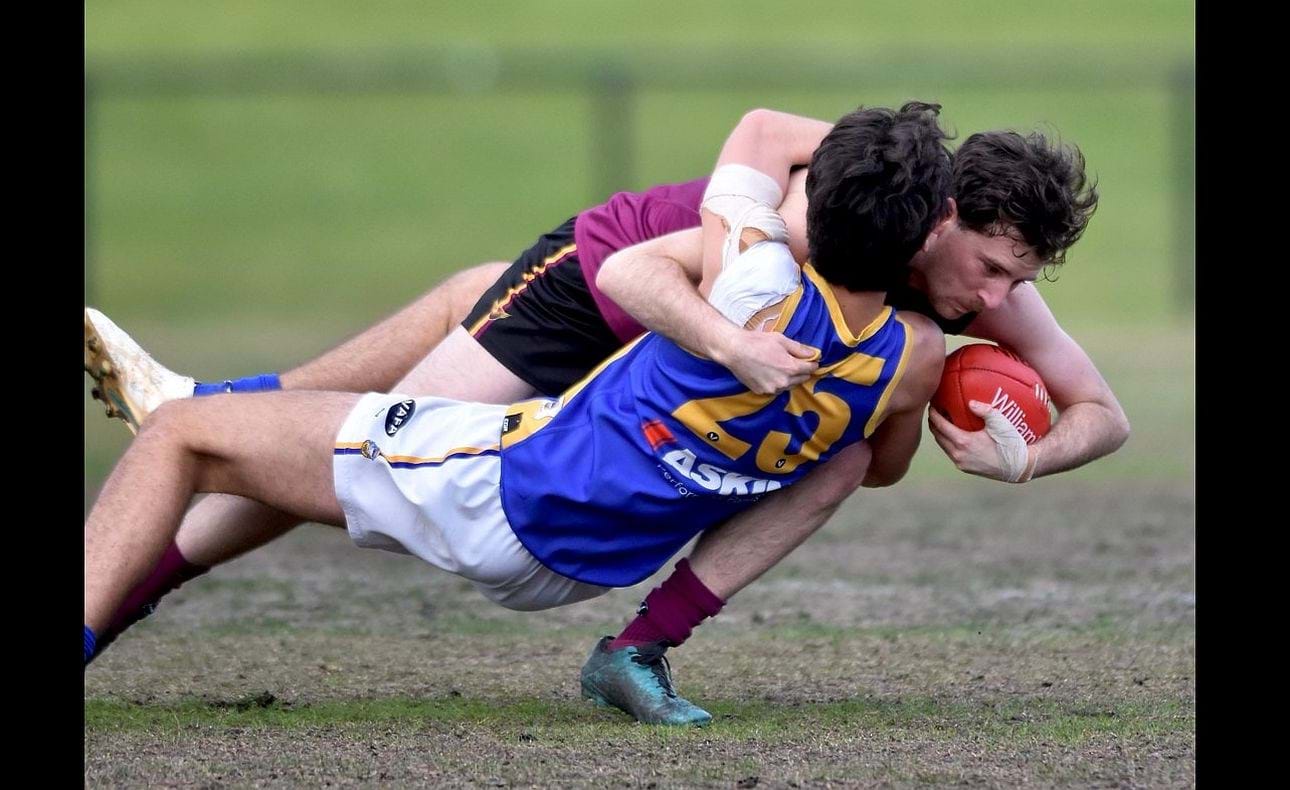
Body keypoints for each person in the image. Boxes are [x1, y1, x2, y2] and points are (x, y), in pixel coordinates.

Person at [85, 103, 1121, 724]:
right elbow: (748, 148)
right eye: (988, 268)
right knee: (353, 431)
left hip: (653, 383)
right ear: (941, 214)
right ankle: (196, 441)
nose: (999, 301)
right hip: (601, 289)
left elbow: (1101, 412)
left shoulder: (939, 308)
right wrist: (727, 337)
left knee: (351, 438)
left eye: (1013, 282)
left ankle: (200, 421)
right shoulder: (826, 216)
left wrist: (1023, 458)